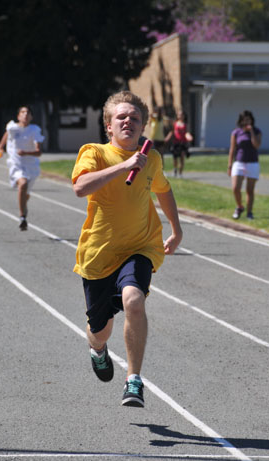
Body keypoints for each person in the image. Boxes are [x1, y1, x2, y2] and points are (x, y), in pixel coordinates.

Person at [72, 91, 183, 408]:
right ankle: (97, 350)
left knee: (134, 299)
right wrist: (124, 167)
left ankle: (133, 380)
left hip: (141, 245)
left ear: (143, 126)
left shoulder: (152, 159)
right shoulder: (94, 152)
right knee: (101, 331)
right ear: (109, 125)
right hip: (99, 255)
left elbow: (163, 190)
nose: (128, 121)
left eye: (135, 118)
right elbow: (80, 187)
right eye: (121, 117)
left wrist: (176, 229)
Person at [0, 106, 44, 231]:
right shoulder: (12, 127)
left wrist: (26, 153)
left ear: (31, 117)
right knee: (22, 184)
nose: (25, 114)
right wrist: (0, 147)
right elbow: (6, 135)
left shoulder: (34, 130)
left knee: (25, 193)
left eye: (28, 112)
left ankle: (24, 203)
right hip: (16, 164)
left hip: (31, 166)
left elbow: (39, 152)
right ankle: (22, 217)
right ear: (18, 116)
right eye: (23, 112)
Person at [228, 110, 262, 220]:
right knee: (235, 188)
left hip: (252, 163)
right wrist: (229, 165)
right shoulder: (236, 132)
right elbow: (232, 149)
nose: (247, 121)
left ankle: (249, 212)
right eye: (245, 119)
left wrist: (251, 131)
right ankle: (239, 206)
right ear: (241, 120)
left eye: (249, 119)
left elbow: (256, 145)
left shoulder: (257, 131)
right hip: (239, 162)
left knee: (249, 190)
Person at [165, 109, 193, 177]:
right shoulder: (175, 124)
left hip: (183, 143)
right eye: (179, 115)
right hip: (176, 143)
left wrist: (189, 137)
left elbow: (187, 133)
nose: (180, 116)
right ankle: (175, 170)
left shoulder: (185, 125)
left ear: (183, 116)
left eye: (181, 115)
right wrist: (167, 138)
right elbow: (172, 132)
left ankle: (180, 173)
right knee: (175, 159)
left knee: (182, 158)